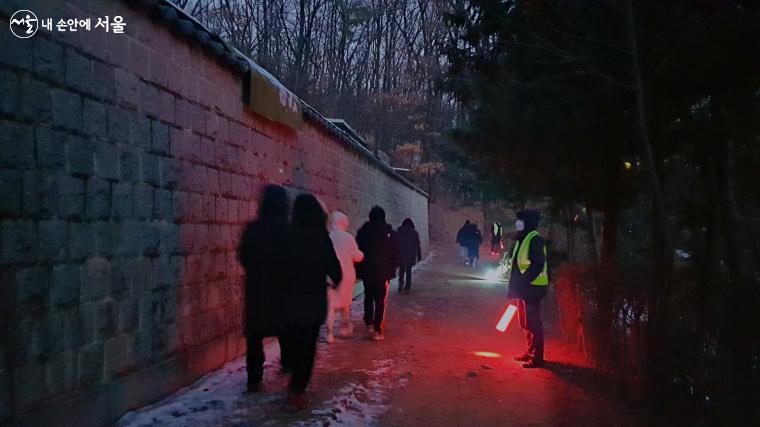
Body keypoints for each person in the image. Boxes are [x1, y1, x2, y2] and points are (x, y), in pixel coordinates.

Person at [282, 194, 342, 408]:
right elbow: (335, 270)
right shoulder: (321, 237)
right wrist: (333, 281)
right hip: (312, 299)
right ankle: (297, 389)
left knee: (293, 340)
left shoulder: (287, 236)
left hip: (288, 300)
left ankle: (292, 379)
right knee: (307, 345)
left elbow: (277, 268)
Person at [238, 185, 291, 392]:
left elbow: (244, 257)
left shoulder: (253, 229)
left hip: (257, 288)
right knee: (285, 328)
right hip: (282, 288)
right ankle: (287, 363)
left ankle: (254, 378)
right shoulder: (287, 229)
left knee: (255, 335)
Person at [506, 210, 549, 368]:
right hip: (523, 289)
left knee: (533, 322)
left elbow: (537, 265)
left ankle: (537, 357)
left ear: (527, 222)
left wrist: (523, 282)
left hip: (532, 289)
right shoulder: (522, 238)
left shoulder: (534, 239)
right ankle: (530, 351)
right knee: (524, 322)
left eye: (520, 221)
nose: (518, 223)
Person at [356, 206, 395, 341]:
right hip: (382, 271)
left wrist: (359, 269)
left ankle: (369, 322)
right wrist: (391, 271)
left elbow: (358, 250)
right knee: (380, 300)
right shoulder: (388, 231)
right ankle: (378, 329)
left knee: (368, 296)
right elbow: (393, 253)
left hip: (367, 270)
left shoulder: (363, 231)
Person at [326, 210, 364, 343]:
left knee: (332, 305)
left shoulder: (328, 236)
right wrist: (361, 254)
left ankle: (330, 333)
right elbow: (357, 255)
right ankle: (345, 327)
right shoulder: (348, 237)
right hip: (346, 276)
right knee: (345, 303)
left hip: (331, 277)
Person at [394, 218, 422, 294]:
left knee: (401, 271)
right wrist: (419, 255)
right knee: (408, 272)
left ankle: (400, 285)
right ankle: (407, 288)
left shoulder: (399, 231)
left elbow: (395, 244)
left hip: (401, 255)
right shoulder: (414, 233)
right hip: (410, 255)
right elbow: (417, 245)